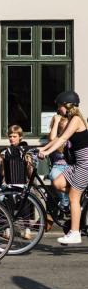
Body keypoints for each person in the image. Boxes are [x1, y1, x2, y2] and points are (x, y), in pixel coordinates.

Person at [38, 91, 88, 244]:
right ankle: (79, 207)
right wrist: (44, 149)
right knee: (58, 183)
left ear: (67, 105)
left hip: (85, 164)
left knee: (73, 197)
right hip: (76, 164)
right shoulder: (71, 120)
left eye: (59, 106)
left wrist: (47, 152)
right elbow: (59, 138)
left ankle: (75, 233)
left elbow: (64, 138)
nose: (58, 110)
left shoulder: (76, 119)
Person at [0, 125, 32, 239]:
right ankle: (7, 228)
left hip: (22, 182)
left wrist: (29, 164)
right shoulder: (4, 151)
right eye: (10, 136)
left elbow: (30, 173)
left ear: (20, 137)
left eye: (14, 136)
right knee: (7, 204)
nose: (12, 138)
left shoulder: (26, 150)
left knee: (25, 203)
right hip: (9, 183)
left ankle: (27, 229)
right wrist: (2, 163)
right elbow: (2, 173)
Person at [48, 114, 70, 214]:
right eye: (62, 127)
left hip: (70, 166)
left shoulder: (70, 136)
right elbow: (52, 139)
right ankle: (65, 203)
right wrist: (56, 121)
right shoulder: (57, 138)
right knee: (53, 176)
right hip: (58, 165)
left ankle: (65, 203)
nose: (65, 129)